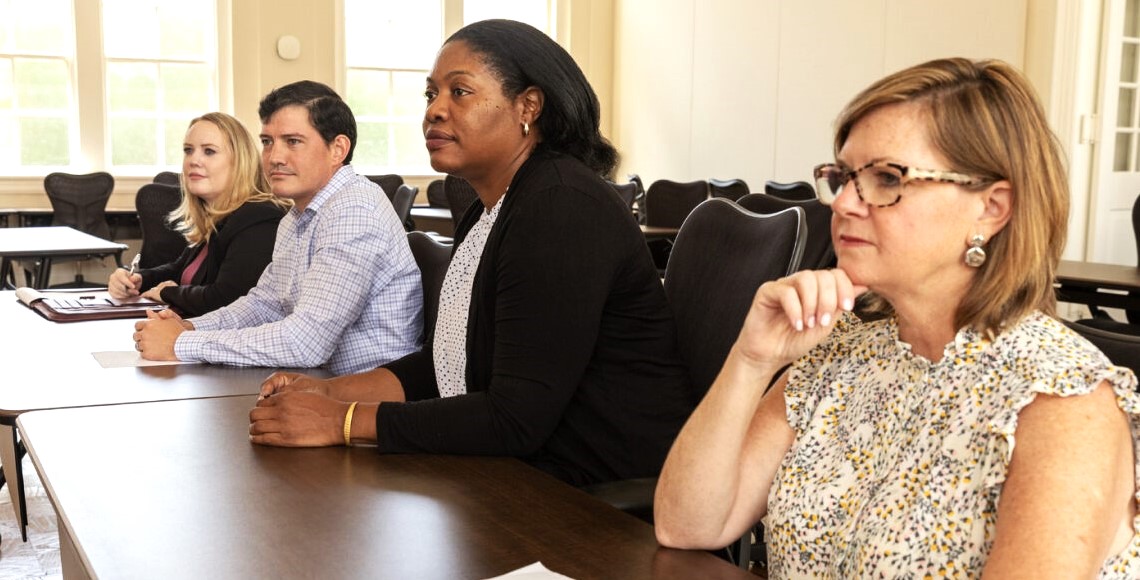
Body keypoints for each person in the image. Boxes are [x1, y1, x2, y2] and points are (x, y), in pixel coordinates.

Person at [654, 58, 1140, 577]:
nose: (842, 204)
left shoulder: (1061, 400)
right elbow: (687, 526)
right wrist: (751, 359)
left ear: (992, 209)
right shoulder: (840, 353)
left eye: (888, 178)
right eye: (842, 177)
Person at [248, 19, 694, 487]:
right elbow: (447, 362)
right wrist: (329, 393)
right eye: (430, 95)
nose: (434, 111)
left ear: (528, 106)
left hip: (588, 502)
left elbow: (513, 418)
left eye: (459, 92)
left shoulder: (560, 206)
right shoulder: (493, 209)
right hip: (515, 470)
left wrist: (340, 422)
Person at [133, 81, 423, 375]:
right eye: (268, 142)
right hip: (319, 383)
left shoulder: (353, 211)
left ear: (338, 149)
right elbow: (265, 305)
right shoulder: (296, 217)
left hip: (364, 399)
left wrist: (182, 343)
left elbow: (305, 343)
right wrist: (189, 325)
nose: (274, 157)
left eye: (293, 141)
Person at [108, 112, 289, 317]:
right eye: (188, 150)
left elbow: (227, 299)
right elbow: (180, 270)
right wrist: (138, 280)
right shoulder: (219, 216)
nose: (194, 160)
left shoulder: (259, 218)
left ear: (240, 161)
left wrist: (168, 293)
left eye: (209, 151)